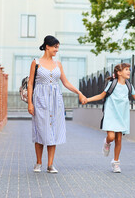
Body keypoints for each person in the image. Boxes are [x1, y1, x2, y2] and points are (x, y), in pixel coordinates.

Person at [27, 35, 87, 173]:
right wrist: (30, 103)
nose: (56, 50)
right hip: (40, 98)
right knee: (40, 130)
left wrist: (79, 92)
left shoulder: (58, 64)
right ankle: (38, 162)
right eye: (55, 47)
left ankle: (50, 164)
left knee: (53, 130)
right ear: (47, 46)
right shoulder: (36, 62)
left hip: (55, 100)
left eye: (57, 47)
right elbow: (30, 83)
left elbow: (65, 83)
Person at [82, 63, 135, 173]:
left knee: (119, 139)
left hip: (122, 115)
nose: (128, 71)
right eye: (126, 69)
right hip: (111, 113)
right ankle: (107, 142)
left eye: (129, 69)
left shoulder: (129, 85)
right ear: (119, 73)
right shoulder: (112, 84)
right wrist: (87, 100)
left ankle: (116, 163)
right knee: (111, 137)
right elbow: (101, 95)